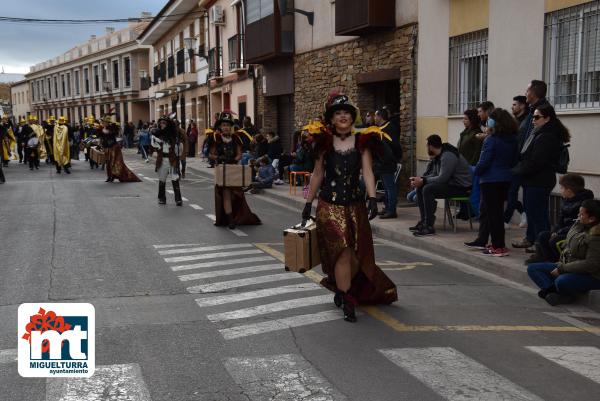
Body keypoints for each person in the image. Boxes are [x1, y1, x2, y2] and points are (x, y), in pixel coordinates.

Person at [302, 92, 397, 323]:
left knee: (356, 253)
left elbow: (367, 171)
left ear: (352, 117)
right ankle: (347, 299)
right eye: (338, 113)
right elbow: (317, 174)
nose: (343, 116)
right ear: (331, 119)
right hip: (329, 206)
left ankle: (340, 285)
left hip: (355, 206)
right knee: (343, 251)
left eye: (346, 112)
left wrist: (373, 198)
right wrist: (307, 202)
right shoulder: (323, 143)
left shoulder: (363, 142)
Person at [512, 103, 568, 251]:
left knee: (538, 214)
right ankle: (531, 239)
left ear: (547, 118)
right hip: (533, 180)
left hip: (539, 181)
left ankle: (541, 244)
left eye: (537, 117)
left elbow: (537, 162)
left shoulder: (547, 136)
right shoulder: (540, 133)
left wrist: (517, 171)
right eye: (533, 117)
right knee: (532, 212)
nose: (533, 120)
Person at [464, 108, 519, 256]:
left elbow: (484, 162)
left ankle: (498, 246)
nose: (487, 122)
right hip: (505, 178)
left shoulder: (491, 140)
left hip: (490, 180)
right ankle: (497, 244)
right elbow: (514, 160)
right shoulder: (513, 139)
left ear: (494, 122)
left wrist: (474, 170)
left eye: (489, 120)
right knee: (497, 213)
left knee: (493, 215)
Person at [528, 199, 600, 306]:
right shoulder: (579, 225)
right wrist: (561, 264)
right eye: (579, 212)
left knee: (562, 281)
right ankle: (554, 293)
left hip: (592, 276)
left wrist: (563, 269)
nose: (578, 216)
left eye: (581, 214)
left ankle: (558, 292)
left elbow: (591, 264)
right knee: (533, 268)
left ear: (592, 219)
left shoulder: (596, 237)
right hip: (569, 266)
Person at [409, 134, 473, 237]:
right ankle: (424, 221)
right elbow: (435, 174)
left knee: (428, 189)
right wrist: (420, 180)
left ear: (430, 146)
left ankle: (429, 226)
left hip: (462, 188)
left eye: (426, 146)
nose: (426, 148)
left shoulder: (448, 156)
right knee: (421, 187)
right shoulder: (439, 155)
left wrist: (424, 181)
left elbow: (442, 178)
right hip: (451, 184)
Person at [526, 174, 594, 264]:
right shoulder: (566, 200)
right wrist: (555, 230)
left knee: (554, 240)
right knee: (543, 235)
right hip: (563, 231)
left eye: (562, 188)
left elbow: (577, 225)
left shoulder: (584, 204)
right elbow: (560, 220)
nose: (560, 190)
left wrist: (559, 232)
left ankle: (558, 261)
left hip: (575, 234)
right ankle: (545, 258)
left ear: (569, 190)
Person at [209, 111, 261, 229]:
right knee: (226, 193)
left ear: (231, 127)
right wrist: (219, 158)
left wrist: (233, 159)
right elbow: (211, 155)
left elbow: (239, 154)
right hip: (222, 170)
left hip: (233, 169)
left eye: (228, 125)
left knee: (238, 195)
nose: (226, 127)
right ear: (220, 127)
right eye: (223, 125)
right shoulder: (216, 138)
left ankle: (237, 216)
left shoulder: (236, 138)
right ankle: (230, 220)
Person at [373, 109, 400, 219]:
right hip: (381, 163)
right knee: (385, 186)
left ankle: (391, 210)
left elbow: (392, 146)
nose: (374, 118)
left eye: (375, 116)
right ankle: (387, 206)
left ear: (380, 116)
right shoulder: (380, 128)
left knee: (390, 187)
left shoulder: (389, 128)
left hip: (387, 162)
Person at [456, 109, 483, 219]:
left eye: (466, 119)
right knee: (462, 187)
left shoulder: (476, 133)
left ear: (472, 120)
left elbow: (477, 152)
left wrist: (471, 166)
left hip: (471, 167)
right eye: (463, 118)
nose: (463, 121)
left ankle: (471, 212)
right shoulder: (465, 132)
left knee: (469, 190)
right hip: (462, 166)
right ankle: (463, 211)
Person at [151, 116, 183, 204]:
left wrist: (178, 157)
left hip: (172, 158)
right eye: (161, 123)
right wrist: (155, 151)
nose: (162, 125)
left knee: (175, 178)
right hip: (162, 159)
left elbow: (179, 149)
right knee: (162, 179)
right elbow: (153, 146)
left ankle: (178, 199)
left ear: (167, 124)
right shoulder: (157, 135)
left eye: (164, 123)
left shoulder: (173, 136)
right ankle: (162, 198)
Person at [100, 116, 140, 183]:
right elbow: (102, 138)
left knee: (116, 162)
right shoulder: (102, 129)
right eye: (102, 122)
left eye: (104, 122)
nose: (103, 123)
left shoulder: (112, 128)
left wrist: (107, 132)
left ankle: (118, 175)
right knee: (108, 163)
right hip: (107, 148)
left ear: (107, 122)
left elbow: (114, 134)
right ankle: (110, 177)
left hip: (114, 148)